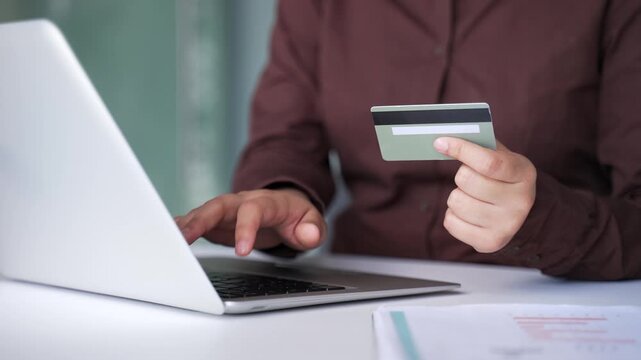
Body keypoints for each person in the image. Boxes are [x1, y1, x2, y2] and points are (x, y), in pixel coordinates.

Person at [175, 0, 641, 280]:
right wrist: (281, 197)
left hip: (540, 304)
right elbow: (285, 140)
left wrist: (543, 219)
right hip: (356, 294)